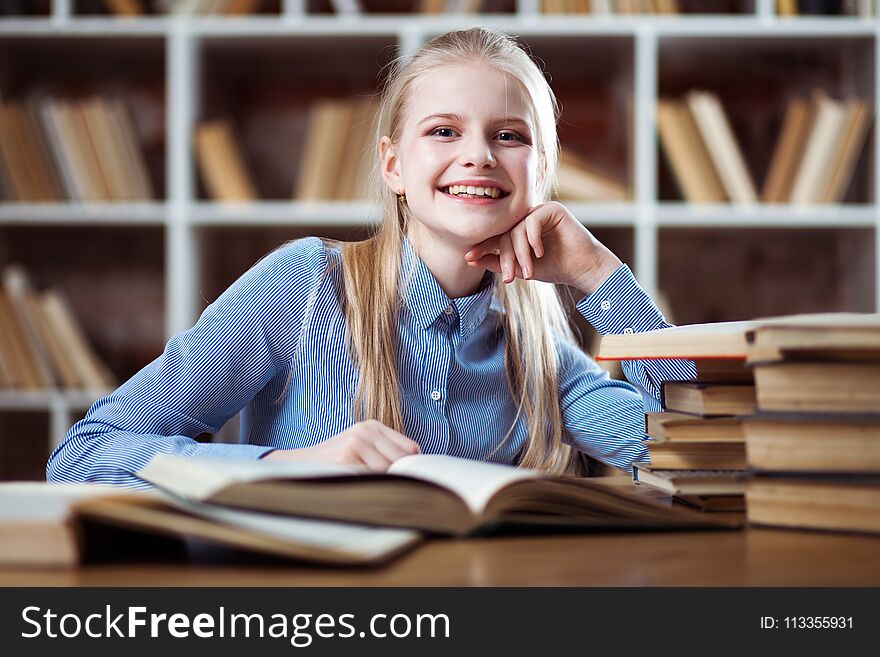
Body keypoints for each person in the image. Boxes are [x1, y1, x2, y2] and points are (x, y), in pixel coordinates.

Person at [47, 27, 694, 488]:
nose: (479, 155)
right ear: (394, 164)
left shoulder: (537, 350)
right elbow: (83, 454)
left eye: (510, 135)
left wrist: (598, 275)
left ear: (543, 173)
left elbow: (699, 455)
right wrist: (288, 466)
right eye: (444, 130)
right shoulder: (304, 285)